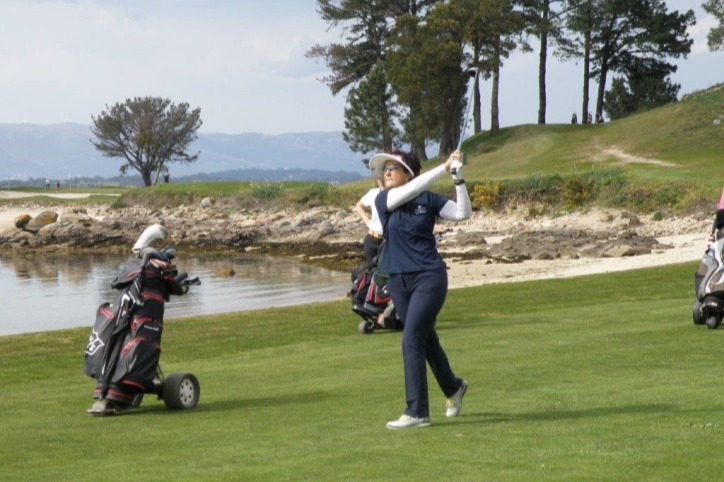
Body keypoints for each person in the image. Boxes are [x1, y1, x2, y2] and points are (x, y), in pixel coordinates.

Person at [369, 148, 472, 429]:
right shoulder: (384, 199)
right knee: (426, 340)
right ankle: (454, 388)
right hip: (398, 281)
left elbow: (463, 213)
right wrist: (442, 167)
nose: (386, 173)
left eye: (393, 167)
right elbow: (409, 191)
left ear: (408, 172)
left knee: (411, 339)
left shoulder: (428, 200)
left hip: (429, 277)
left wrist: (457, 177)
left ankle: (417, 411)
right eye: (385, 169)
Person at [355, 178, 385, 266]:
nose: (379, 179)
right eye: (378, 176)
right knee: (372, 272)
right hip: (372, 238)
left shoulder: (395, 194)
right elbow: (359, 206)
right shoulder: (373, 193)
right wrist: (368, 222)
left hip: (388, 240)